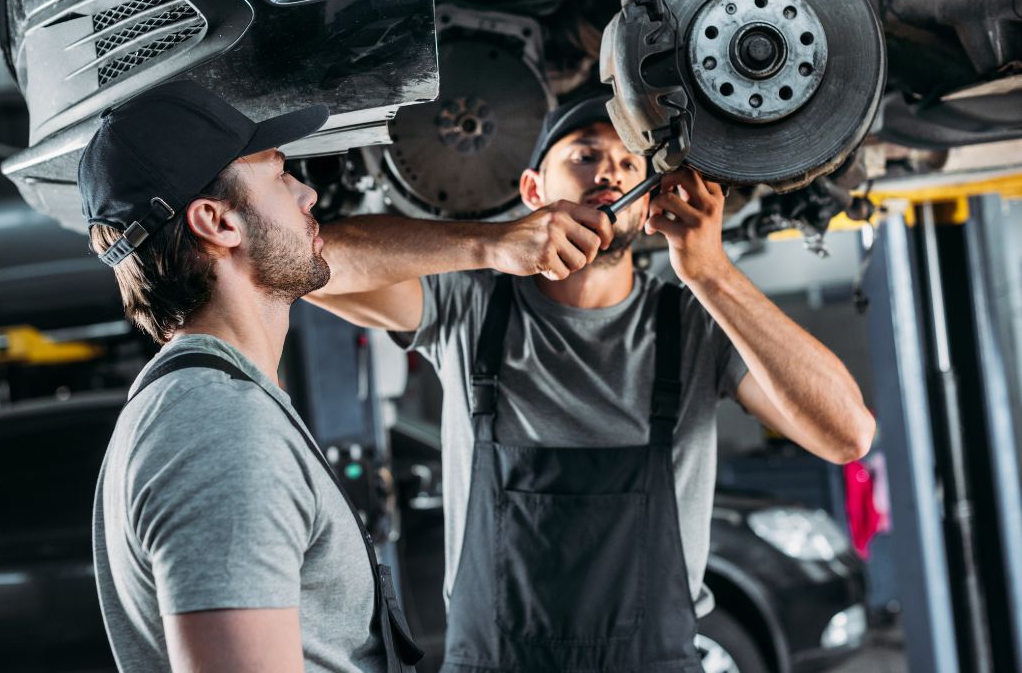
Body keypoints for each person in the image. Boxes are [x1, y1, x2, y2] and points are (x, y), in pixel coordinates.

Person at [307, 95, 876, 672]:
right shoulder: (470, 309)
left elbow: (846, 435)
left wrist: (713, 272)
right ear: (533, 191)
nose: (610, 171)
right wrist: (490, 243)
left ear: (649, 200)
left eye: (630, 164)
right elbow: (309, 263)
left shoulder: (695, 326)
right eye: (584, 155)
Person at [83, 80, 419, 673]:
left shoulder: (206, 402)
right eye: (278, 173)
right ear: (217, 222)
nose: (308, 194)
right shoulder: (217, 431)